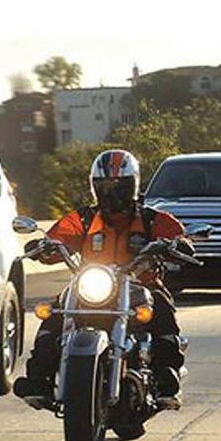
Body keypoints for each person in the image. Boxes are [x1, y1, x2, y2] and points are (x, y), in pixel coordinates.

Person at [13, 149, 190, 408]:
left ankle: (166, 379)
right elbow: (60, 235)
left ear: (133, 186)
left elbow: (175, 234)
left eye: (119, 186)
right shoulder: (84, 219)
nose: (111, 193)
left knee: (162, 311)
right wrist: (45, 245)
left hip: (141, 284)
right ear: (94, 187)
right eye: (104, 186)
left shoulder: (151, 219)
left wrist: (177, 244)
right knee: (54, 313)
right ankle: (39, 379)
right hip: (92, 284)